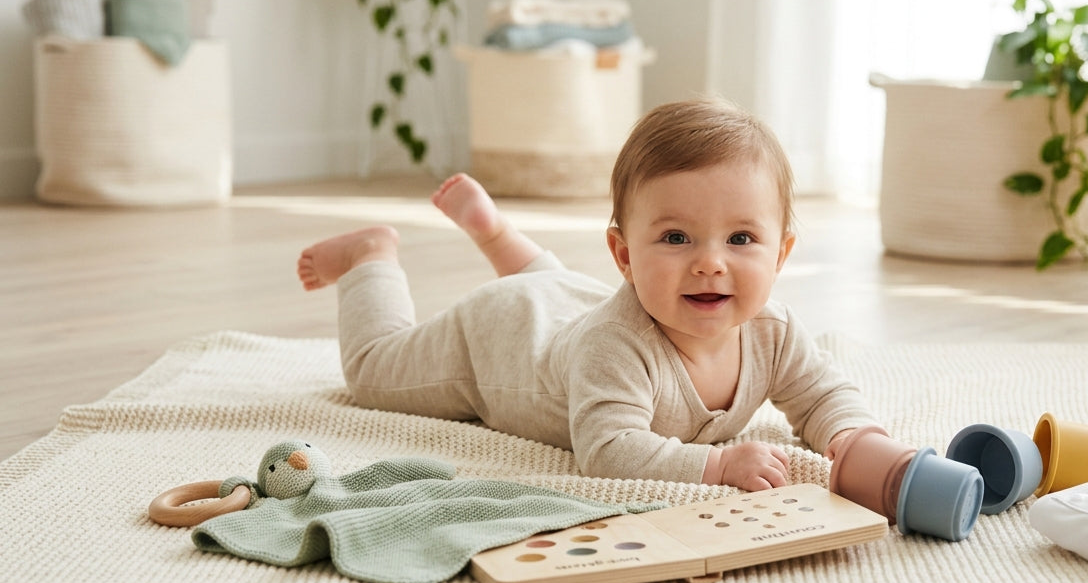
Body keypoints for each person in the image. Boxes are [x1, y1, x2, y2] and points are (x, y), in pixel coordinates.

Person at [297, 97, 883, 491]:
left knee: (554, 290)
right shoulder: (617, 345)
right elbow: (609, 451)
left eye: (741, 238)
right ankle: (370, 257)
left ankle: (494, 232)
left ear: (780, 254)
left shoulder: (772, 332)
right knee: (372, 373)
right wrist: (718, 464)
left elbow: (821, 393)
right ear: (624, 256)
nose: (710, 262)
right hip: (498, 337)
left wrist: (851, 434)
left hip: (563, 300)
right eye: (676, 237)